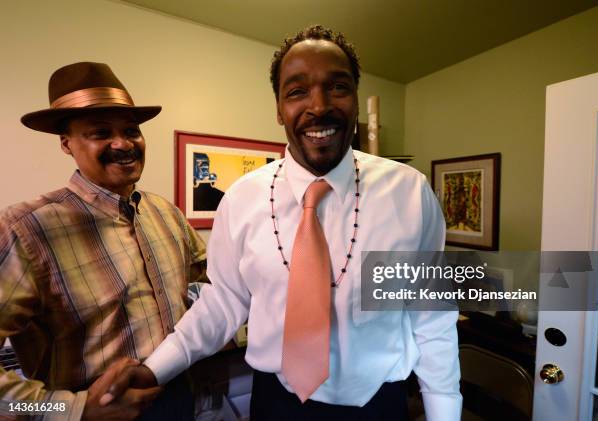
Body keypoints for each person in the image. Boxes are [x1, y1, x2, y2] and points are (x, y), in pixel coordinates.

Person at [105, 25, 462, 420]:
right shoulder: (241, 199)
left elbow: (430, 315)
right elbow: (222, 303)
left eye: (338, 87)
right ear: (278, 108)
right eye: (297, 91)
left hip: (379, 404)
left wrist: (444, 412)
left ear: (356, 101)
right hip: (276, 403)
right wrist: (155, 367)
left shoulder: (409, 194)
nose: (320, 105)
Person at [0, 62, 207, 420]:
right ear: (66, 144)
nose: (123, 144)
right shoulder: (26, 229)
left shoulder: (166, 213)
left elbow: (212, 285)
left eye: (132, 130)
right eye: (100, 132)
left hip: (179, 397)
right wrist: (70, 410)